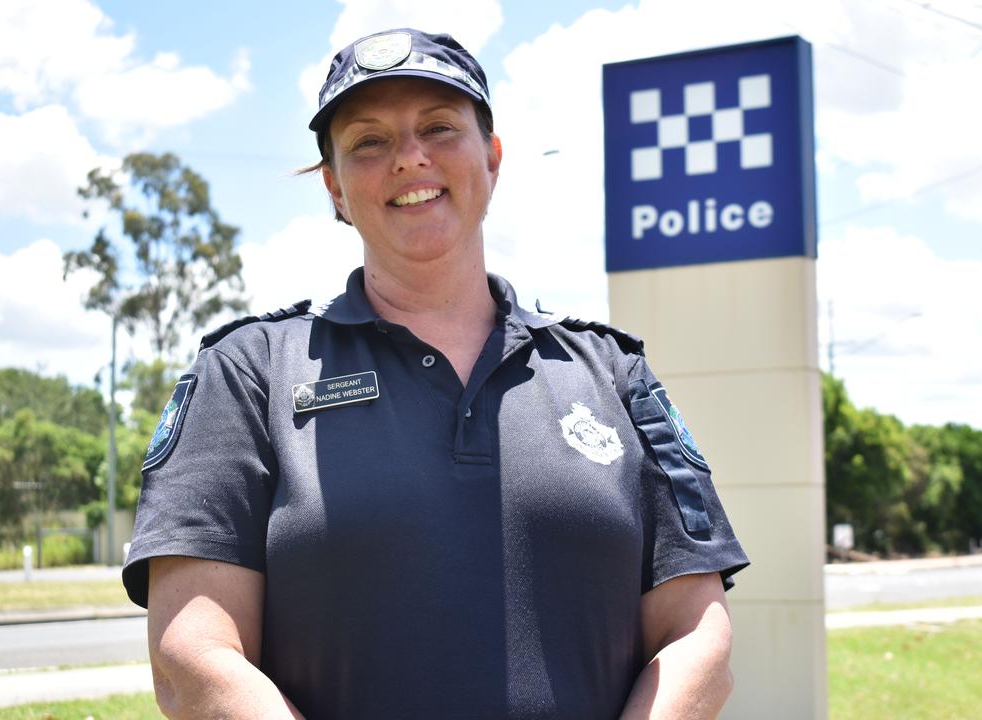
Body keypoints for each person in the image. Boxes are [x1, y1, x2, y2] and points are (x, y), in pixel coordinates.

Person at [122, 27, 748, 719]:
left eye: (439, 128)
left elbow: (697, 635)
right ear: (334, 186)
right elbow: (194, 658)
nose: (409, 158)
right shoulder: (248, 373)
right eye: (369, 142)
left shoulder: (612, 372)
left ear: (493, 158)